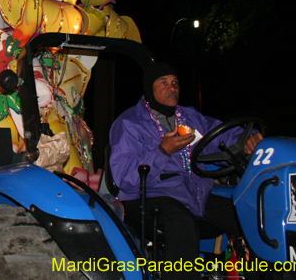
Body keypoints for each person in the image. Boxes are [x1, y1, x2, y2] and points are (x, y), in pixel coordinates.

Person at [109, 62, 263, 280]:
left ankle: (249, 272)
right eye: (164, 82)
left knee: (244, 212)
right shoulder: (130, 123)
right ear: (149, 87)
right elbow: (124, 178)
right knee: (181, 222)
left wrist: (246, 138)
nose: (172, 87)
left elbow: (220, 137)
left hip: (192, 194)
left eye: (175, 82)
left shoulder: (189, 118)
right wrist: (162, 151)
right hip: (147, 195)